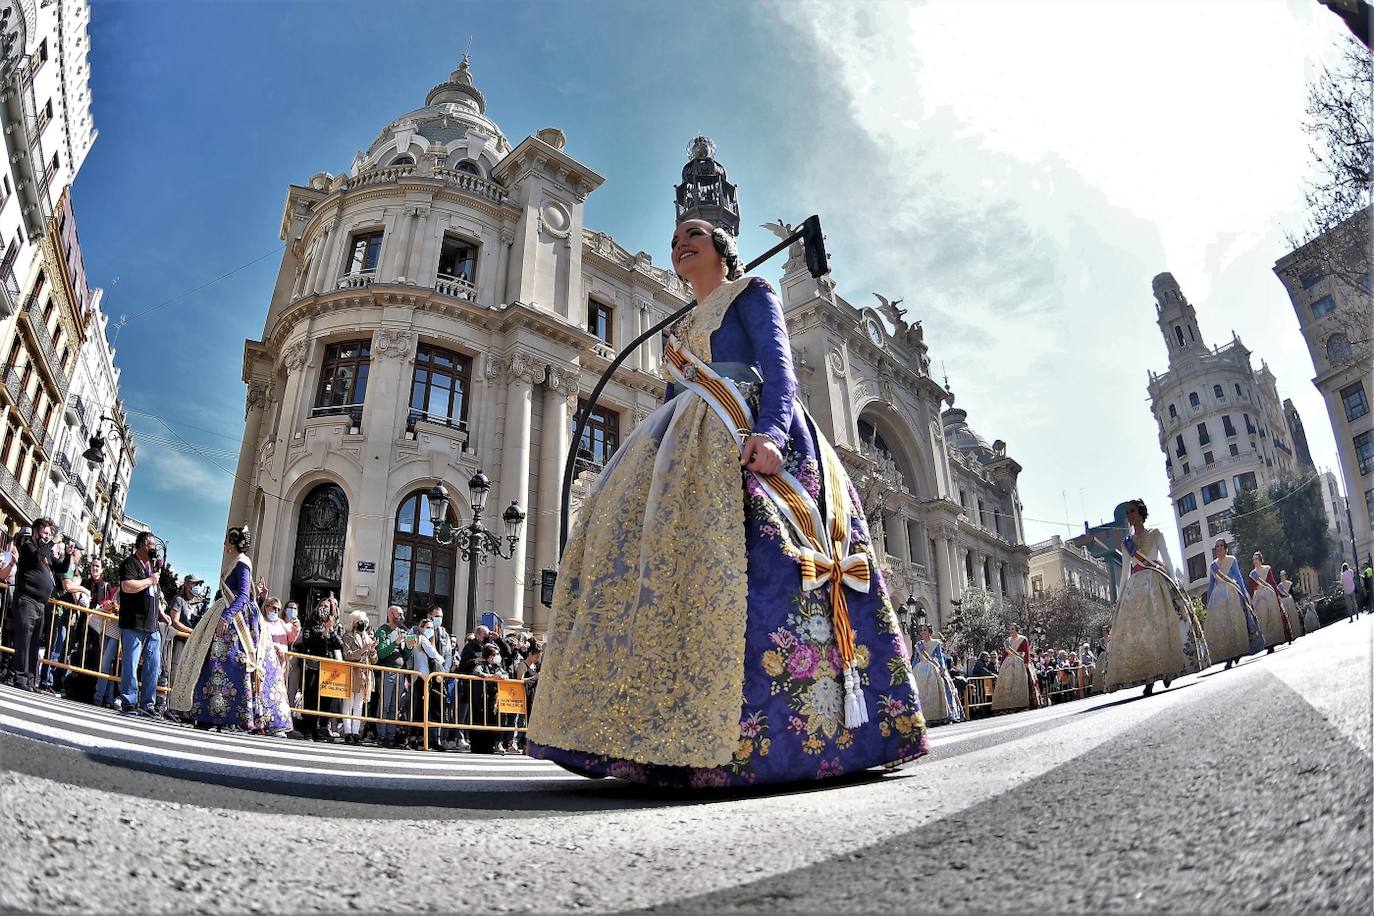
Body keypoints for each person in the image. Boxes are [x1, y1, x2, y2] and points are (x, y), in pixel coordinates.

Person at [528, 217, 927, 787]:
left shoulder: (753, 292)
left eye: (694, 234)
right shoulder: (681, 326)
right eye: (673, 240)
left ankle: (796, 739)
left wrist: (770, 433)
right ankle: (655, 739)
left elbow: (780, 369)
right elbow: (675, 398)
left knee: (769, 572)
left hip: (748, 439)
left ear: (723, 249)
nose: (680, 243)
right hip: (684, 452)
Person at [170, 528, 291, 735]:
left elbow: (243, 595)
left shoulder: (242, 562)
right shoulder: (236, 563)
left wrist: (226, 617)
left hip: (237, 621)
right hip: (228, 614)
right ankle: (211, 712)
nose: (225, 544)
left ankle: (247, 715)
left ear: (233, 543)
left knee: (236, 663)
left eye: (226, 541)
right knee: (216, 664)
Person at [1101, 499, 1209, 696]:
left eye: (1132, 511)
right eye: (1127, 512)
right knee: (1142, 631)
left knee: (1163, 625)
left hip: (1157, 581)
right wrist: (1119, 598)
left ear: (1141, 513)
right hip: (1135, 588)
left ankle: (1168, 670)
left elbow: (1166, 557)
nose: (1130, 515)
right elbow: (1125, 571)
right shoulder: (1126, 544)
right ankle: (1149, 677)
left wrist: (1175, 582)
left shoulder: (1156, 533)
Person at [10, 519, 73, 692]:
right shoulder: (28, 547)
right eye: (44, 534)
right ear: (35, 532)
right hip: (27, 600)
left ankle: (30, 679)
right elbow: (37, 556)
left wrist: (67, 554)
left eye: (48, 534)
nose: (46, 537)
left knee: (35, 643)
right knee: (24, 641)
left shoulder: (44, 552)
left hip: (40, 603)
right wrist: (52, 541)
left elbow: (60, 567)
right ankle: (20, 677)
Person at [117, 532, 165, 716]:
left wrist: (161, 612)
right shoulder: (130, 563)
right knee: (131, 662)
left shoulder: (151, 567)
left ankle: (148, 704)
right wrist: (150, 580)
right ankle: (129, 702)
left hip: (151, 624)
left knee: (153, 665)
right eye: (151, 544)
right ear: (142, 545)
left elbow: (154, 592)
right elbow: (127, 586)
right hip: (133, 622)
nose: (154, 548)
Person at [1203, 538, 1264, 670]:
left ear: (1225, 548)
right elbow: (1211, 584)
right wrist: (1208, 603)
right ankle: (1229, 656)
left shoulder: (1232, 560)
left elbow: (1239, 577)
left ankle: (1239, 650)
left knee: (1236, 622)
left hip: (1232, 593)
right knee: (1222, 625)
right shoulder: (1213, 565)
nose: (1219, 548)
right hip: (1217, 597)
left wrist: (1244, 592)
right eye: (1217, 546)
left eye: (1221, 546)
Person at [295, 595, 344, 742]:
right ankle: (308, 729)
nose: (324, 609)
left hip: (329, 667)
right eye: (322, 605)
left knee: (326, 699)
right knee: (311, 698)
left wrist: (331, 630)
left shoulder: (336, 625)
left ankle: (322, 728)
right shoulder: (311, 622)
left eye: (327, 607)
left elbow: (339, 644)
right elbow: (307, 641)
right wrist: (322, 633)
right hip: (314, 665)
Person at [373, 605, 411, 748]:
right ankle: (382, 736)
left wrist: (409, 647)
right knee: (385, 705)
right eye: (398, 614)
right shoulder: (382, 631)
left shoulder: (402, 631)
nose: (401, 617)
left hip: (400, 672)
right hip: (386, 671)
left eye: (402, 614)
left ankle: (391, 735)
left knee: (395, 706)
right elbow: (381, 653)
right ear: (390, 614)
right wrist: (395, 642)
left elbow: (406, 656)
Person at [911, 623, 963, 725]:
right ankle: (924, 717)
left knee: (941, 688)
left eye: (925, 630)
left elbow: (940, 657)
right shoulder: (918, 645)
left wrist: (942, 668)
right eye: (921, 630)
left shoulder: (936, 643)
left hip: (933, 669)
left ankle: (942, 715)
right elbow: (916, 659)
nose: (922, 632)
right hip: (919, 670)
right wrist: (911, 671)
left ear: (930, 632)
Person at [339, 610, 377, 745]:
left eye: (365, 622)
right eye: (361, 622)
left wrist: (372, 650)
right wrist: (362, 650)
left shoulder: (367, 637)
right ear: (354, 623)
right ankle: (348, 732)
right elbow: (348, 655)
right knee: (348, 703)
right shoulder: (347, 637)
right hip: (351, 672)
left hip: (364, 674)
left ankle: (356, 732)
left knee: (359, 704)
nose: (363, 624)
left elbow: (374, 659)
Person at [1246, 551, 1291, 653]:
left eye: (1256, 558)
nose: (1254, 561)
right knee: (1262, 618)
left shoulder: (1267, 569)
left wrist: (1277, 595)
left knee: (1273, 616)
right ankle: (1267, 643)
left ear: (1260, 559)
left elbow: (1272, 583)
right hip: (1258, 597)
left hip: (1269, 594)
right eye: (1253, 559)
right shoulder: (1252, 574)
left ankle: (1276, 639)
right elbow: (1252, 588)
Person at [990, 623, 1040, 712]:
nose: (1011, 631)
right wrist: (1001, 666)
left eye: (1012, 629)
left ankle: (1023, 703)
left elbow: (1026, 651)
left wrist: (1026, 662)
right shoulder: (1007, 641)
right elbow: (1004, 653)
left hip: (1020, 662)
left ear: (1016, 630)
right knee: (1008, 684)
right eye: (1010, 629)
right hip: (1008, 663)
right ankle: (1008, 705)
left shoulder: (1023, 639)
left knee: (1022, 681)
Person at [1277, 570, 1301, 637]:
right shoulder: (1279, 586)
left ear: (1286, 576)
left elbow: (1292, 594)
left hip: (1290, 600)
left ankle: (1296, 632)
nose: (1282, 577)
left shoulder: (1290, 583)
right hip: (1283, 601)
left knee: (1292, 615)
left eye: (1283, 575)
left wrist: (1295, 602)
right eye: (1281, 576)